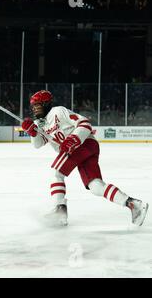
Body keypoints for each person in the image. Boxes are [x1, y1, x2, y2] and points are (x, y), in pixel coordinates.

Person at [21, 90, 148, 226]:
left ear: (46, 103)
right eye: (33, 107)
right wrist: (32, 132)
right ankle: (134, 205)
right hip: (85, 147)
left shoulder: (58, 111)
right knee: (95, 186)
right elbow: (38, 144)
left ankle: (60, 210)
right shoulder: (39, 123)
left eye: (37, 105)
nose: (34, 109)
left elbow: (85, 123)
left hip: (83, 143)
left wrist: (73, 139)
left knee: (56, 173)